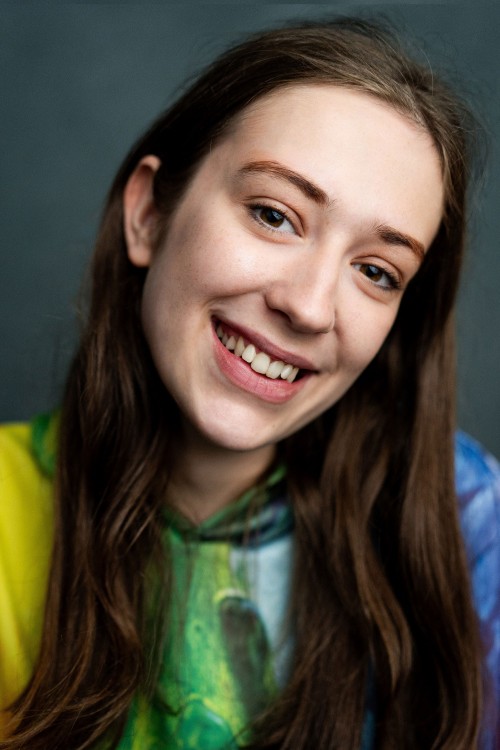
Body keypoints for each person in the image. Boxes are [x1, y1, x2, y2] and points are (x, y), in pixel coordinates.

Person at [0, 16, 498, 750]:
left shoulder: (468, 531)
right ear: (149, 213)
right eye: (274, 215)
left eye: (376, 271)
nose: (310, 306)